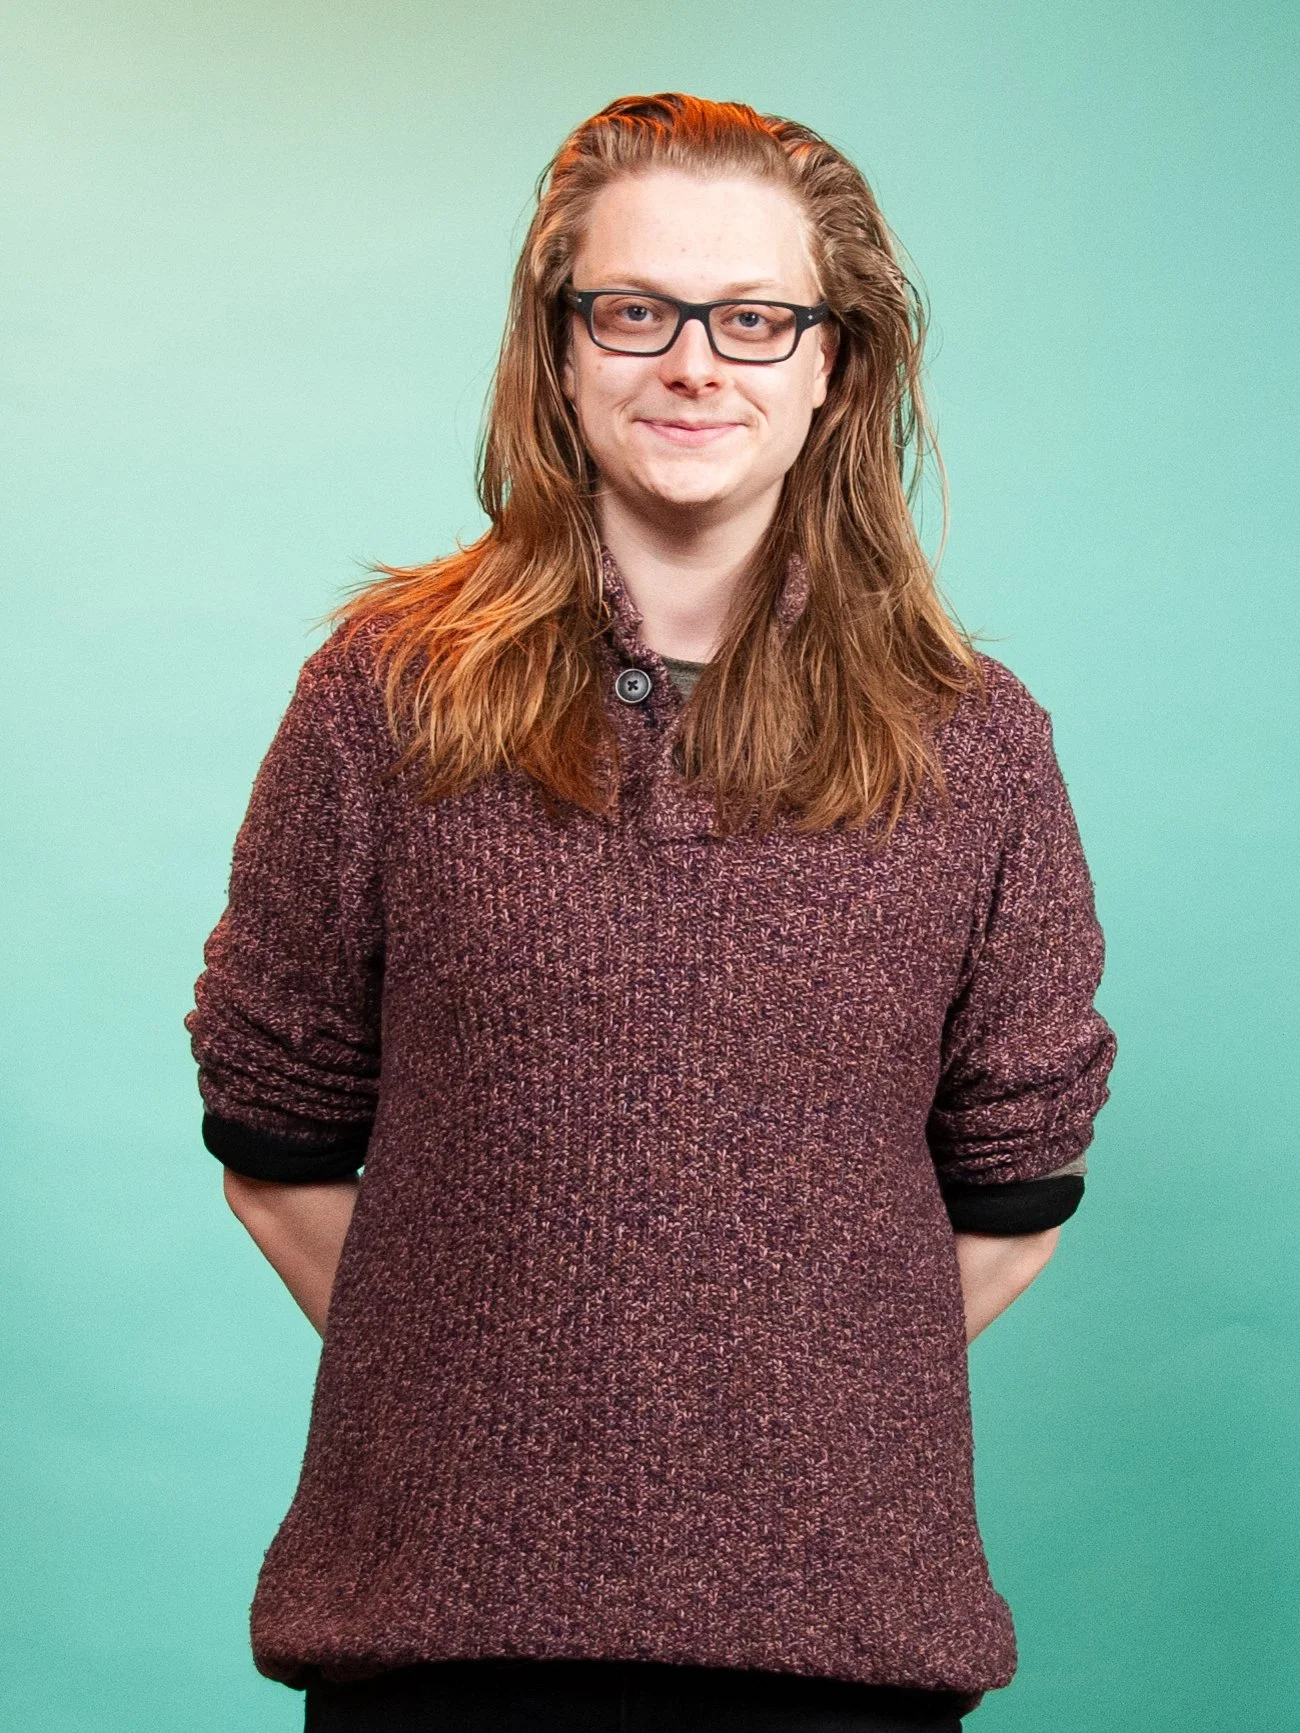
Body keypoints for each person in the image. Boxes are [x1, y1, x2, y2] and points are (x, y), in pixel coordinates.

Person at [185, 92, 1117, 1733]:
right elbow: (271, 1135)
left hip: (848, 1643)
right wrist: (505, 1384)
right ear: (558, 348)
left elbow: (1018, 1188)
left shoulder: (978, 744)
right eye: (638, 311)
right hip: (439, 1642)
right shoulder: (378, 701)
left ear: (833, 363)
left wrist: (761, 1402)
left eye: (755, 319)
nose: (698, 364)